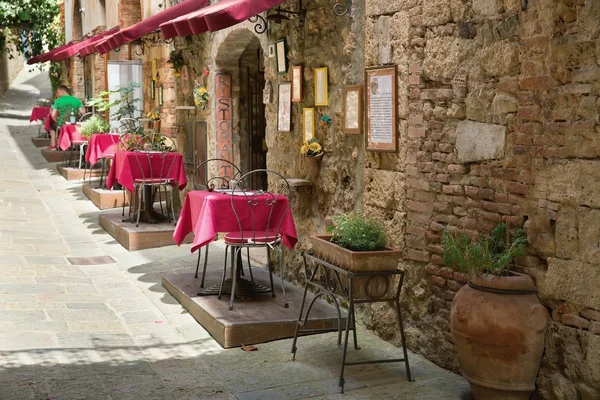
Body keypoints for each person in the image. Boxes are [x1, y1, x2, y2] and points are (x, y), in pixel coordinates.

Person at [47, 85, 85, 150]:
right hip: (74, 124)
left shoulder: (58, 101)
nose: (58, 94)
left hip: (62, 124)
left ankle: (53, 144)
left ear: (62, 91)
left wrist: (57, 121)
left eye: (58, 92)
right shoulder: (76, 100)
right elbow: (83, 112)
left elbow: (53, 115)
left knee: (51, 127)